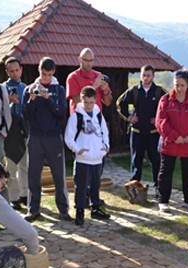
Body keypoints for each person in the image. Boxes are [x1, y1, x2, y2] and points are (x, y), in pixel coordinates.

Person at [22, 57, 70, 222]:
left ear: (53, 73)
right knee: (33, 176)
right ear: (39, 70)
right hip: (35, 137)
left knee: (59, 175)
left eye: (49, 75)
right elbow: (25, 114)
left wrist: (48, 98)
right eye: (43, 74)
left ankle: (63, 210)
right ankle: (33, 210)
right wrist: (32, 100)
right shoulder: (29, 89)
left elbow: (61, 113)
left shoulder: (59, 90)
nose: (46, 78)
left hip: (54, 137)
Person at [156, 70, 188, 213]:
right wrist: (173, 136)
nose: (179, 88)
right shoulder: (165, 100)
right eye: (177, 85)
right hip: (170, 144)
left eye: (183, 85)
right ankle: (163, 201)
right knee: (165, 172)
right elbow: (161, 121)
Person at [64, 86, 111, 226]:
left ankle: (96, 208)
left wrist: (105, 148)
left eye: (91, 102)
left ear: (95, 101)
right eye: (86, 103)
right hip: (83, 159)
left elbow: (105, 133)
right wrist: (78, 150)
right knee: (81, 186)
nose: (89, 106)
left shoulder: (98, 115)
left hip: (97, 158)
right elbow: (69, 138)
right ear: (81, 100)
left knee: (96, 185)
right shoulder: (75, 117)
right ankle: (79, 210)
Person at [116, 64, 167, 186]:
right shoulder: (134, 91)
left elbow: (169, 107)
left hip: (153, 133)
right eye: (143, 75)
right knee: (136, 160)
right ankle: (134, 185)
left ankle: (158, 185)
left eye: (148, 75)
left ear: (153, 76)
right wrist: (129, 117)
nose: (145, 78)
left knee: (156, 160)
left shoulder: (159, 92)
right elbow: (119, 104)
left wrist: (158, 119)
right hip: (137, 132)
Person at [3, 58, 29, 210]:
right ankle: (13, 197)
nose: (14, 73)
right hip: (10, 131)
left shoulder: (25, 88)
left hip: (23, 128)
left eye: (16, 70)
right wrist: (11, 102)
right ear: (7, 72)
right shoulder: (2, 88)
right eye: (11, 71)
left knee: (25, 164)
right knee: (11, 166)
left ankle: (24, 194)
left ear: (21, 70)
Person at [66, 48, 112, 115]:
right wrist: (94, 87)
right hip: (79, 119)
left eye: (91, 60)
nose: (89, 63)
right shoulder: (73, 77)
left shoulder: (98, 76)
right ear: (79, 59)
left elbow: (108, 102)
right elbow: (76, 101)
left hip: (96, 119)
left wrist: (105, 90)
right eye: (86, 60)